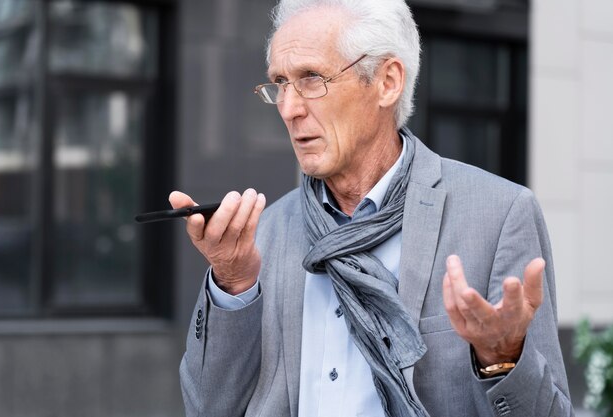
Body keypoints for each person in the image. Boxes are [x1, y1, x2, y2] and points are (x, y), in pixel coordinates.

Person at [172, 0, 574, 416]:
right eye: (280, 83)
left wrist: (501, 358)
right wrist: (233, 285)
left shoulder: (500, 215)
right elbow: (208, 408)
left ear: (387, 81)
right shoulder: (267, 233)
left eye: (311, 78)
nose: (289, 108)